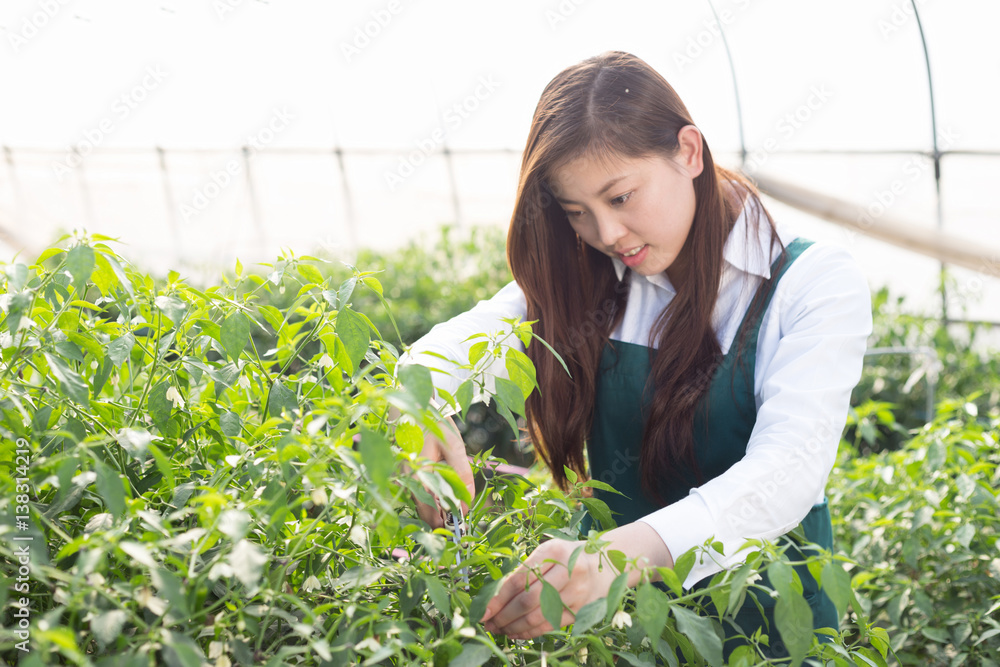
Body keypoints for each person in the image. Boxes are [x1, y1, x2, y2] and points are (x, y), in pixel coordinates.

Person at [397, 50, 872, 660]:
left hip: (774, 627)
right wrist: (413, 402)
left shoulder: (810, 283)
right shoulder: (595, 276)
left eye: (619, 198)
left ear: (689, 152)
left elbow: (788, 471)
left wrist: (619, 555)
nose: (607, 234)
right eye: (578, 213)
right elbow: (475, 333)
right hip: (630, 634)